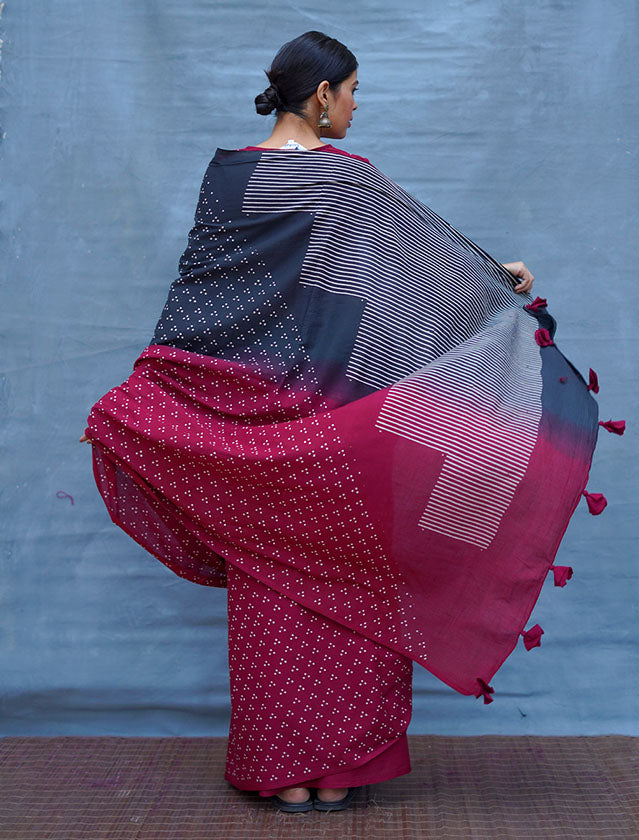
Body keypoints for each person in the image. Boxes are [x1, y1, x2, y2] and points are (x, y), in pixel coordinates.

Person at [81, 31, 599, 815]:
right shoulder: (344, 179)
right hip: (334, 423)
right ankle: (340, 768)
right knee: (352, 580)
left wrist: (155, 392)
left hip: (255, 431)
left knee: (271, 582)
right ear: (322, 95)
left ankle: (281, 770)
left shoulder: (228, 177)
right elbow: (423, 264)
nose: (358, 105)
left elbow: (202, 301)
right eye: (354, 90)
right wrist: (501, 280)